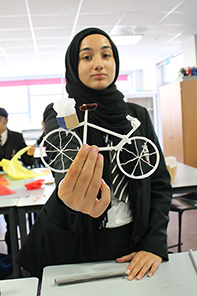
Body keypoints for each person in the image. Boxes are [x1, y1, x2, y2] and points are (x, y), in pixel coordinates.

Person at [16, 27, 172, 280]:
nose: (98, 64)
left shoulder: (137, 115)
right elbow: (64, 167)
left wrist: (154, 243)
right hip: (78, 243)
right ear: (73, 66)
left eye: (106, 55)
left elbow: (159, 184)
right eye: (87, 57)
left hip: (133, 240)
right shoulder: (62, 113)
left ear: (115, 62)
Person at [0, 107, 35, 254]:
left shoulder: (16, 137)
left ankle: (13, 255)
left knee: (12, 221)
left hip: (12, 185)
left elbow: (27, 162)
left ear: (6, 121)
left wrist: (30, 154)